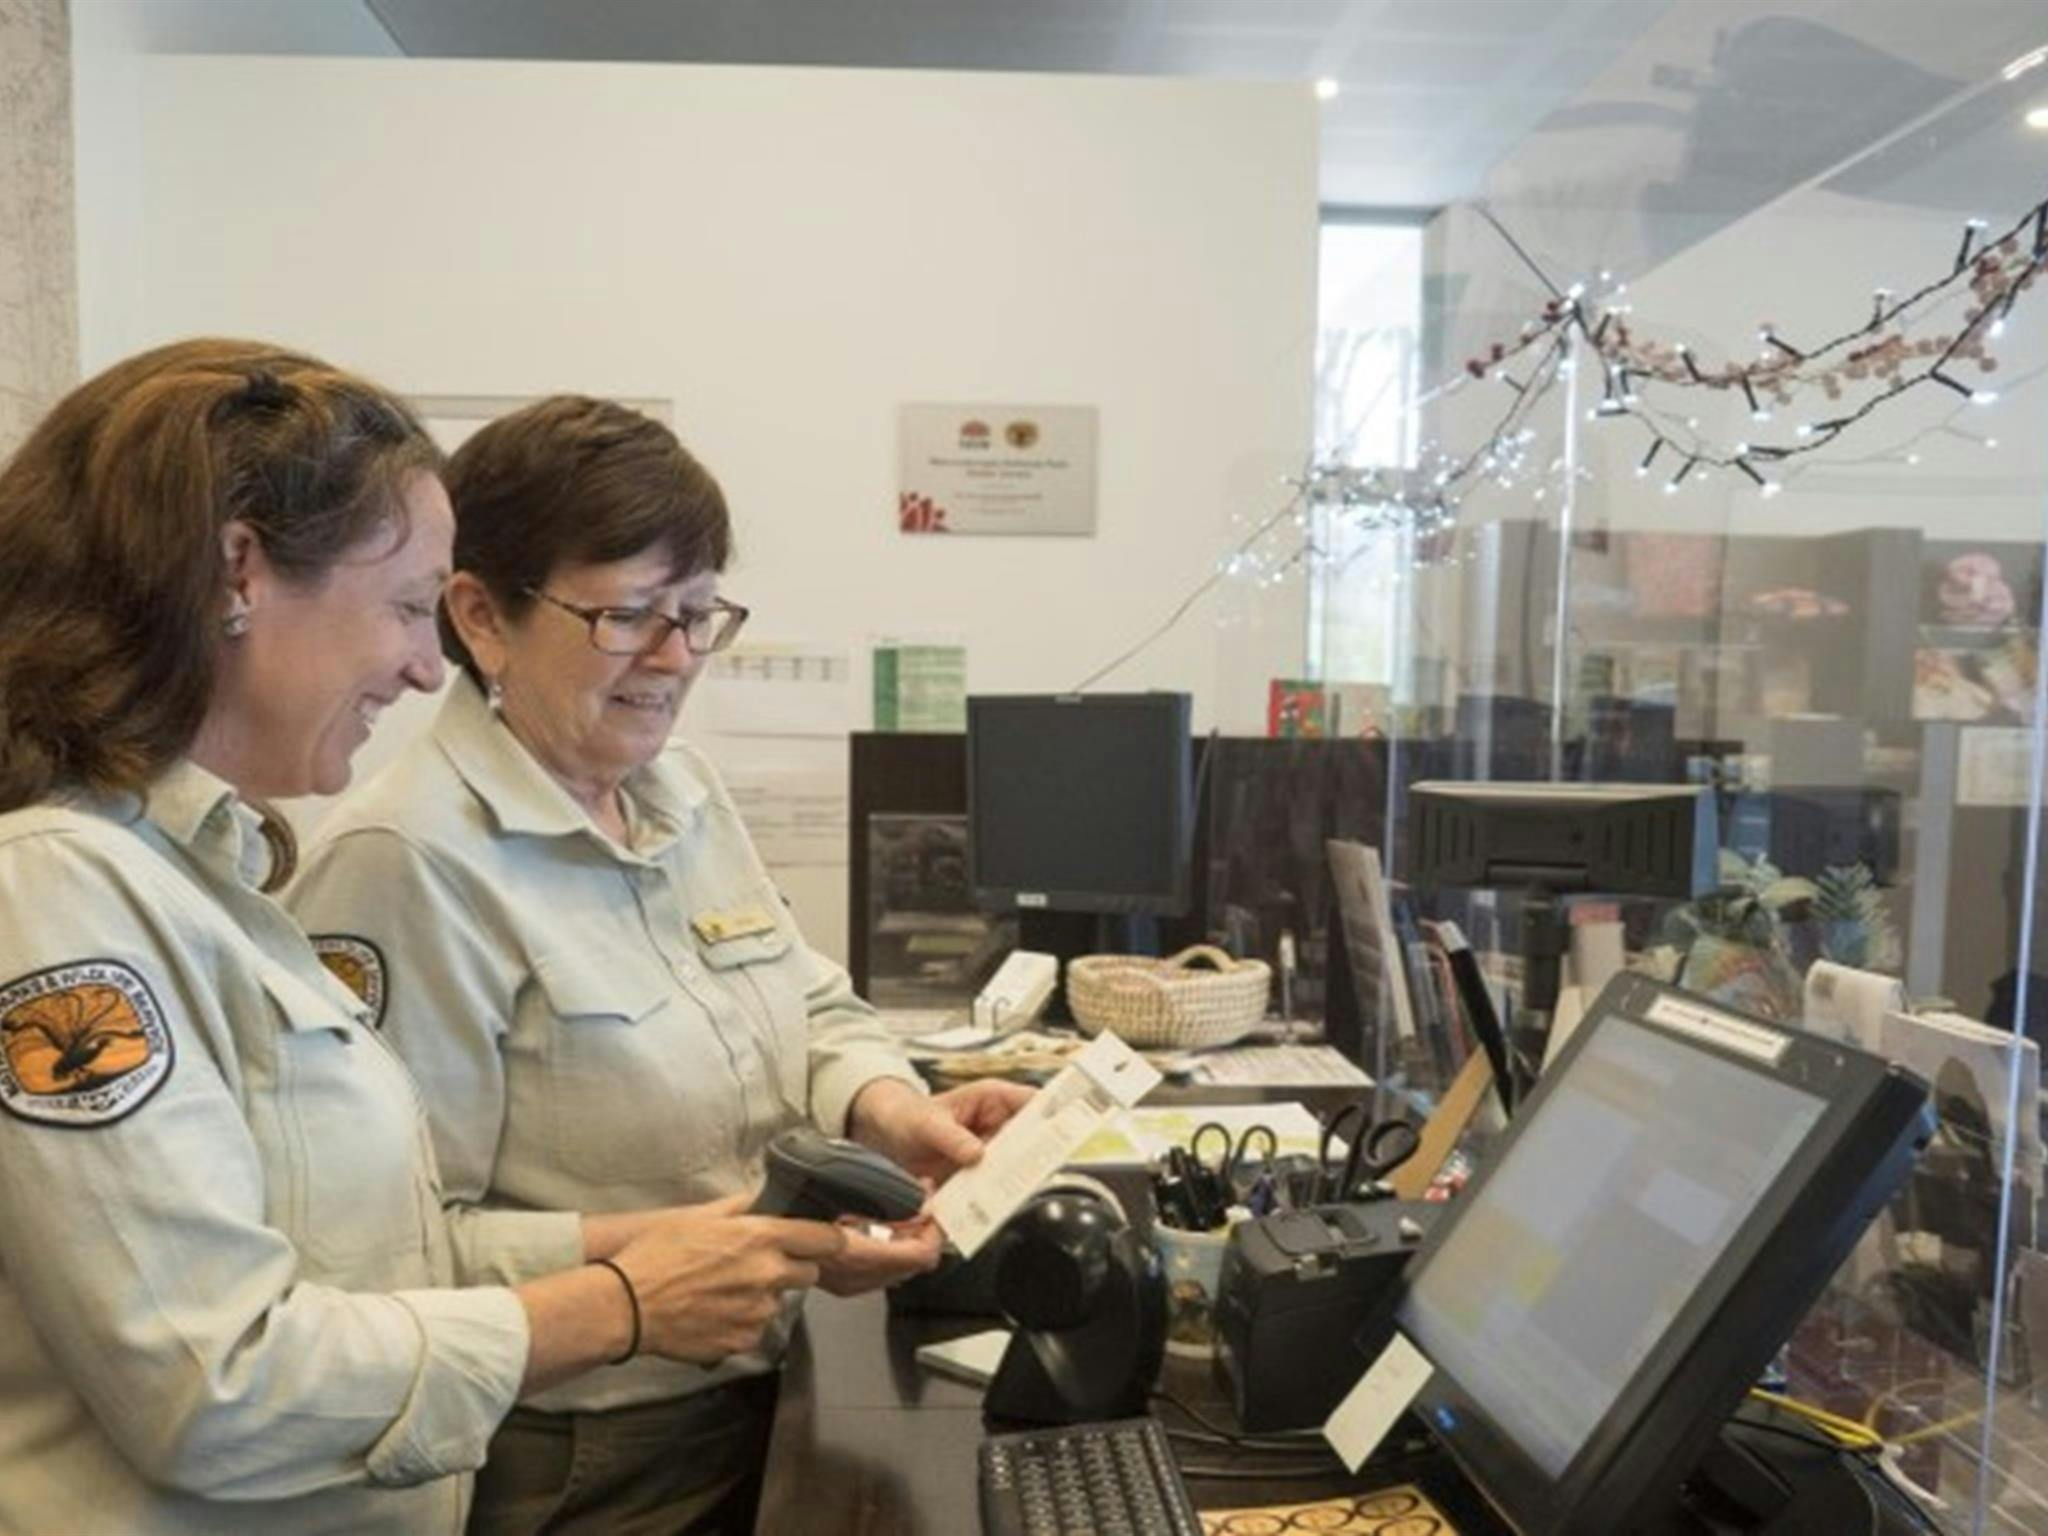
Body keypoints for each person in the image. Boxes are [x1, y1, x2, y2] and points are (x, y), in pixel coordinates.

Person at [0, 341, 852, 1535]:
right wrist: (613, 1308)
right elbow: (215, 1385)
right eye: (406, 607)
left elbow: (376, 1265)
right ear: (236, 571)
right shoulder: (55, 897)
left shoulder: (204, 875)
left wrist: (703, 1247)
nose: (418, 665)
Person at [285, 394, 1032, 1534]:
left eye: (697, 614)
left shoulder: (677, 793)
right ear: (480, 616)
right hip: (576, 1449)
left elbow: (808, 997)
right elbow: (388, 1256)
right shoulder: (409, 861)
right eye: (629, 616)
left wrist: (891, 1110)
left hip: (755, 1389)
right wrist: (689, 1261)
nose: (676, 659)